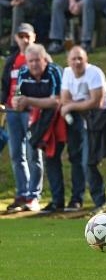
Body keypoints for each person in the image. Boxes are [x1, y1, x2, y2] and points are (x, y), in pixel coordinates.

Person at [14, 44, 67, 213]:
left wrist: (28, 101)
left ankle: (74, 200)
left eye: (37, 60)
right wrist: (19, 102)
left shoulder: (53, 71)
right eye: (31, 61)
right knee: (44, 157)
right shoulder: (23, 72)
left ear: (45, 60)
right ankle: (55, 201)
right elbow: (18, 99)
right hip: (37, 119)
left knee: (74, 158)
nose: (34, 64)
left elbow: (56, 101)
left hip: (62, 118)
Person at [60, 45, 106, 213]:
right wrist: (74, 106)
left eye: (80, 58)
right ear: (68, 61)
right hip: (80, 119)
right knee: (76, 158)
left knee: (90, 161)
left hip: (101, 118)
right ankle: (77, 199)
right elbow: (64, 99)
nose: (76, 62)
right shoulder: (67, 73)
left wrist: (72, 106)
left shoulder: (94, 73)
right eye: (73, 59)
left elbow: (96, 102)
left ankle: (102, 202)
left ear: (86, 60)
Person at [0, 23, 43, 213]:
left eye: (27, 36)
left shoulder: (40, 57)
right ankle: (22, 194)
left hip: (32, 110)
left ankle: (34, 196)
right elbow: (5, 84)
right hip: (12, 111)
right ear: (16, 38)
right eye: (20, 36)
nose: (24, 39)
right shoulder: (11, 60)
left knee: (34, 153)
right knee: (17, 154)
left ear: (33, 37)